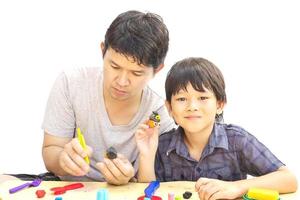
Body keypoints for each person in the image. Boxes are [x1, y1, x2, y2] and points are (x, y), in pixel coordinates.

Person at [38, 10, 175, 185]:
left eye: (136, 73)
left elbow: (152, 181)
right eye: (114, 66)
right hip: (67, 190)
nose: (122, 81)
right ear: (103, 51)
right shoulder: (71, 84)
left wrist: (129, 179)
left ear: (157, 70)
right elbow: (50, 152)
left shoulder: (159, 115)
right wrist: (63, 160)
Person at [135, 57, 297, 199]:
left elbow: (288, 179)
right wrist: (147, 155)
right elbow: (146, 193)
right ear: (169, 108)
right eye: (182, 99)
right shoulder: (162, 145)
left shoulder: (237, 140)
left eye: (203, 98)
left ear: (220, 104)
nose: (192, 106)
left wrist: (237, 187)